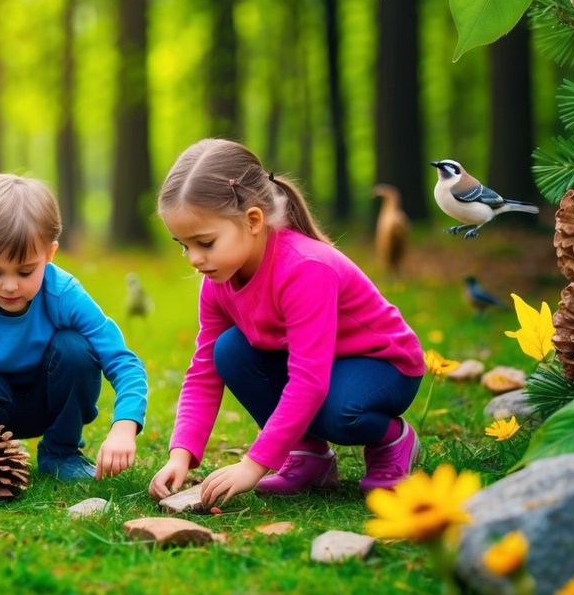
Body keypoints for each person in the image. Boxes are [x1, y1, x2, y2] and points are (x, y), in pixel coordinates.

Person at [148, 139, 425, 505]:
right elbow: (204, 371)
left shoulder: (305, 269)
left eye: (205, 242)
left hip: (384, 364)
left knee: (337, 411)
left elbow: (309, 381)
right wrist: (180, 453)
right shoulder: (218, 281)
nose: (194, 259)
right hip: (319, 365)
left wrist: (254, 464)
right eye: (184, 245)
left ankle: (391, 438)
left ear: (253, 221)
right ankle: (308, 455)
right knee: (228, 351)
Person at [0, 173, 149, 482]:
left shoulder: (64, 293)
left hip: (51, 402)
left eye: (26, 271)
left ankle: (61, 452)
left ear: (49, 254)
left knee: (75, 347)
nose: (10, 286)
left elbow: (122, 360)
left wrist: (124, 425)